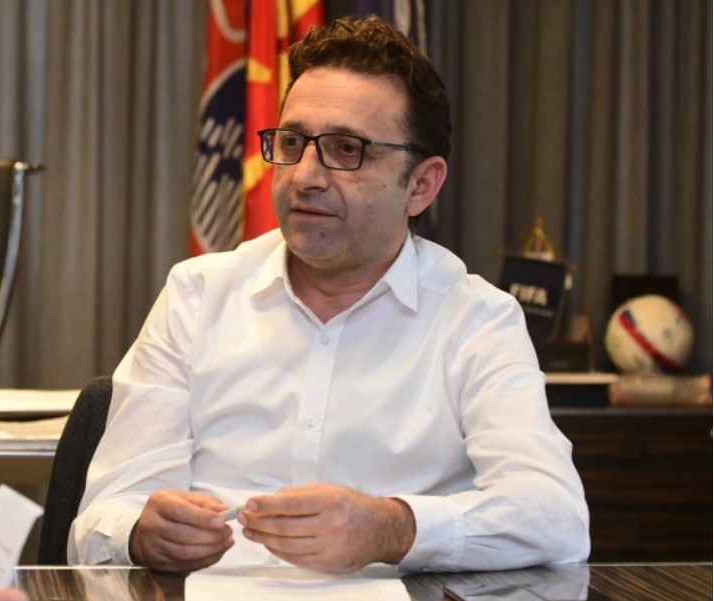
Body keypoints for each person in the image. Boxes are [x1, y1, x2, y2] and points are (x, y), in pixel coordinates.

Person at [68, 15, 589, 574]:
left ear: (421, 185)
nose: (304, 176)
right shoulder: (197, 296)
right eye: (293, 142)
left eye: (346, 149)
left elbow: (555, 518)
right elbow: (100, 519)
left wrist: (392, 527)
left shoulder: (476, 320)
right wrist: (141, 535)